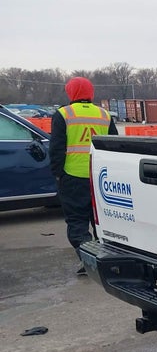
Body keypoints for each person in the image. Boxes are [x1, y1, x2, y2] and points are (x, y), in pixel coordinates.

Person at [49, 77, 118, 274]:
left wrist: (58, 174)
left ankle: (91, 262)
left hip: (73, 178)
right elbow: (113, 148)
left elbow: (56, 149)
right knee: (101, 223)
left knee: (77, 223)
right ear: (91, 93)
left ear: (71, 93)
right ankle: (106, 260)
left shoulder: (63, 114)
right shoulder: (104, 115)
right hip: (99, 178)